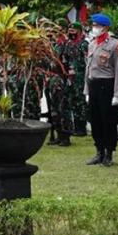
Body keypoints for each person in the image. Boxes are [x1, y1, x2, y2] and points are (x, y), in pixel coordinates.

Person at [84, 13, 118, 166]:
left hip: (107, 85)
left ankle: (109, 153)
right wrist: (86, 90)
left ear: (105, 28)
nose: (94, 28)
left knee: (108, 121)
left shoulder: (115, 45)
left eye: (97, 25)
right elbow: (88, 69)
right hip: (94, 84)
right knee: (95, 121)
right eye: (93, 25)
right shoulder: (92, 44)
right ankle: (99, 151)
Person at [46, 18, 72, 146]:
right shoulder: (54, 43)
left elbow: (69, 63)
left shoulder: (66, 44)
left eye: (55, 28)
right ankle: (58, 134)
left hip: (61, 78)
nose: (52, 31)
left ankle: (65, 136)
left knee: (63, 108)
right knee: (54, 109)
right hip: (52, 78)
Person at [65, 20, 89, 136]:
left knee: (80, 102)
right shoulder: (68, 44)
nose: (71, 33)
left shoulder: (84, 44)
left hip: (80, 76)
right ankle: (75, 126)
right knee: (72, 101)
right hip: (70, 77)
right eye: (69, 31)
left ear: (79, 32)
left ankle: (81, 127)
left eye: (73, 31)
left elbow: (87, 61)